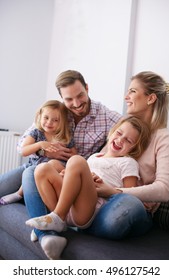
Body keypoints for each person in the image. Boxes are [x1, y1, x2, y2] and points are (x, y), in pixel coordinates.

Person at [23, 71, 169, 259]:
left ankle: (73, 222)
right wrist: (68, 173)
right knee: (31, 171)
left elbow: (164, 190)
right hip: (93, 199)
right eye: (118, 134)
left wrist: (112, 191)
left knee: (128, 205)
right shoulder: (120, 125)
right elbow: (95, 165)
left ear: (150, 98)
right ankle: (47, 233)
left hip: (123, 204)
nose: (126, 97)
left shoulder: (164, 138)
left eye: (132, 91)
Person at [0, 70, 122, 259]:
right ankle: (42, 224)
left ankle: (46, 231)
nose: (76, 103)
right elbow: (21, 145)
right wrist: (42, 149)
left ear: (87, 88)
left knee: (34, 172)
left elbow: (130, 129)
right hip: (36, 162)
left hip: (66, 172)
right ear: (62, 98)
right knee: (14, 180)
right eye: (69, 99)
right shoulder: (56, 112)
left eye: (80, 95)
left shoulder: (106, 117)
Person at [25, 116, 150, 233]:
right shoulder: (95, 156)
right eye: (119, 133)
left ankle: (57, 217)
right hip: (69, 204)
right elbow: (79, 178)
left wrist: (107, 188)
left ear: (135, 148)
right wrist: (67, 175)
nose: (120, 140)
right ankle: (57, 219)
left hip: (88, 209)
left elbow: (128, 196)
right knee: (43, 168)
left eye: (128, 140)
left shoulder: (128, 162)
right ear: (112, 132)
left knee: (76, 160)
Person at [0, 99, 76, 205]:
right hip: (33, 166)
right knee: (31, 171)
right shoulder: (36, 132)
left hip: (55, 171)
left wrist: (66, 156)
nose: (49, 122)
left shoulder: (66, 136)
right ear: (40, 116)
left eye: (55, 120)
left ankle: (21, 194)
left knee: (52, 164)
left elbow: (74, 157)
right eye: (46, 118)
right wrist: (40, 145)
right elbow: (23, 150)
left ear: (62, 122)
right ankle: (19, 193)